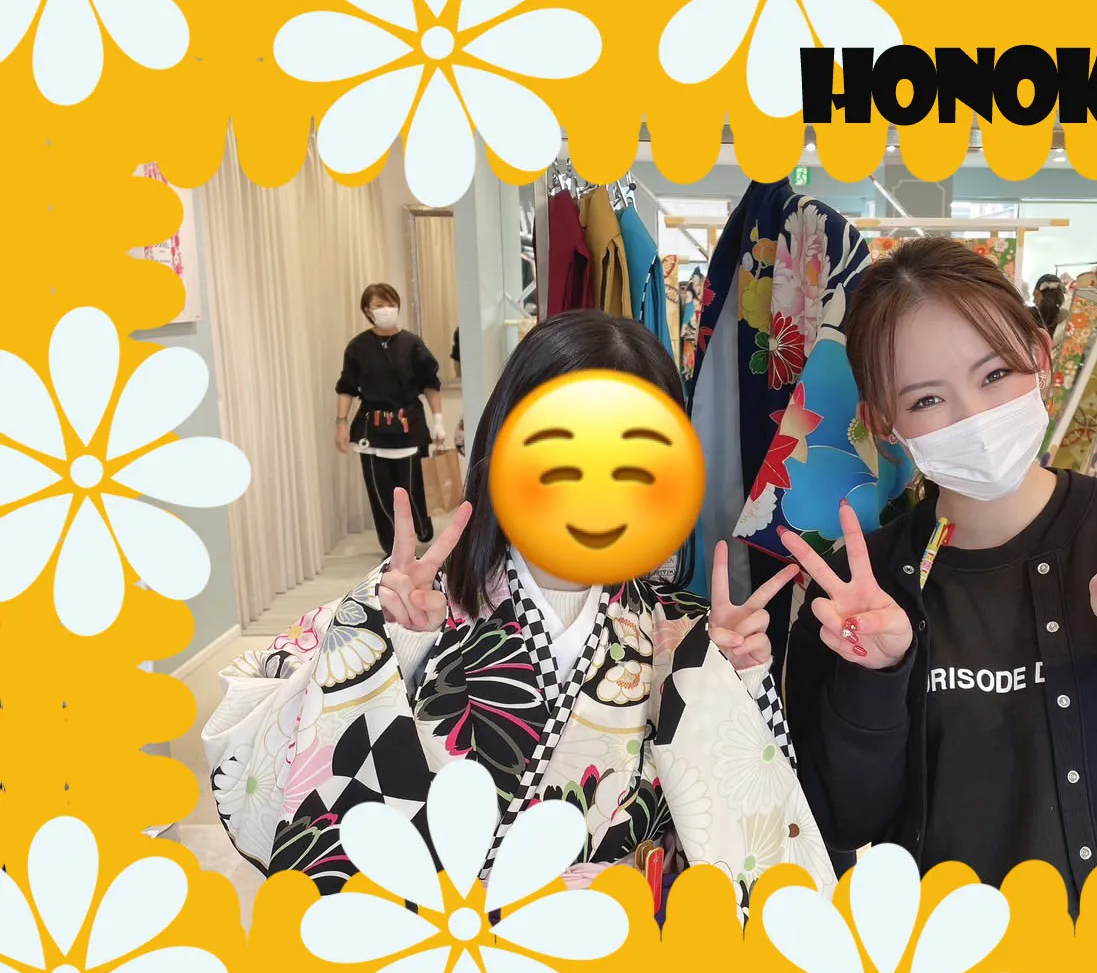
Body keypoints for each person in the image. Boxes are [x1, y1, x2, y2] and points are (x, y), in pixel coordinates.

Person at [204, 311, 835, 914]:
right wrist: (387, 640)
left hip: (615, 953)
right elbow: (251, 725)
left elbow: (730, 844)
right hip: (445, 948)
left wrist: (727, 681)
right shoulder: (411, 601)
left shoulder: (685, 629)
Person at [782, 238, 1097, 916]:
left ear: (1041, 356)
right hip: (957, 964)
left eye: (994, 374)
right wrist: (876, 677)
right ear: (883, 423)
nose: (974, 416)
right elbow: (842, 820)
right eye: (927, 400)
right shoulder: (858, 592)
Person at [335, 283, 444, 557]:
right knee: (381, 492)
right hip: (372, 429)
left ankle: (421, 528)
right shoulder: (358, 347)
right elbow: (347, 387)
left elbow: (430, 384)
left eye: (390, 304)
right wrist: (341, 423)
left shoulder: (412, 344)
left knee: (411, 488)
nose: (386, 310)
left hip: (408, 426)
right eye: (379, 305)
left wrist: (439, 420)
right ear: (367, 310)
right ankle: (393, 547)